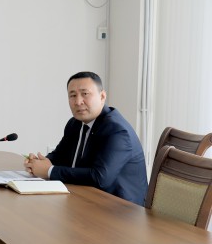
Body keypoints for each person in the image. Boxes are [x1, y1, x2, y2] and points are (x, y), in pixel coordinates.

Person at [24, 71, 148, 206]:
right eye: (72, 95)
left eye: (85, 94)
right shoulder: (75, 123)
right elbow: (60, 155)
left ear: (102, 96)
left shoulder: (117, 130)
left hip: (121, 208)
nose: (78, 102)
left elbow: (100, 178)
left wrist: (49, 171)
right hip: (87, 199)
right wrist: (41, 162)